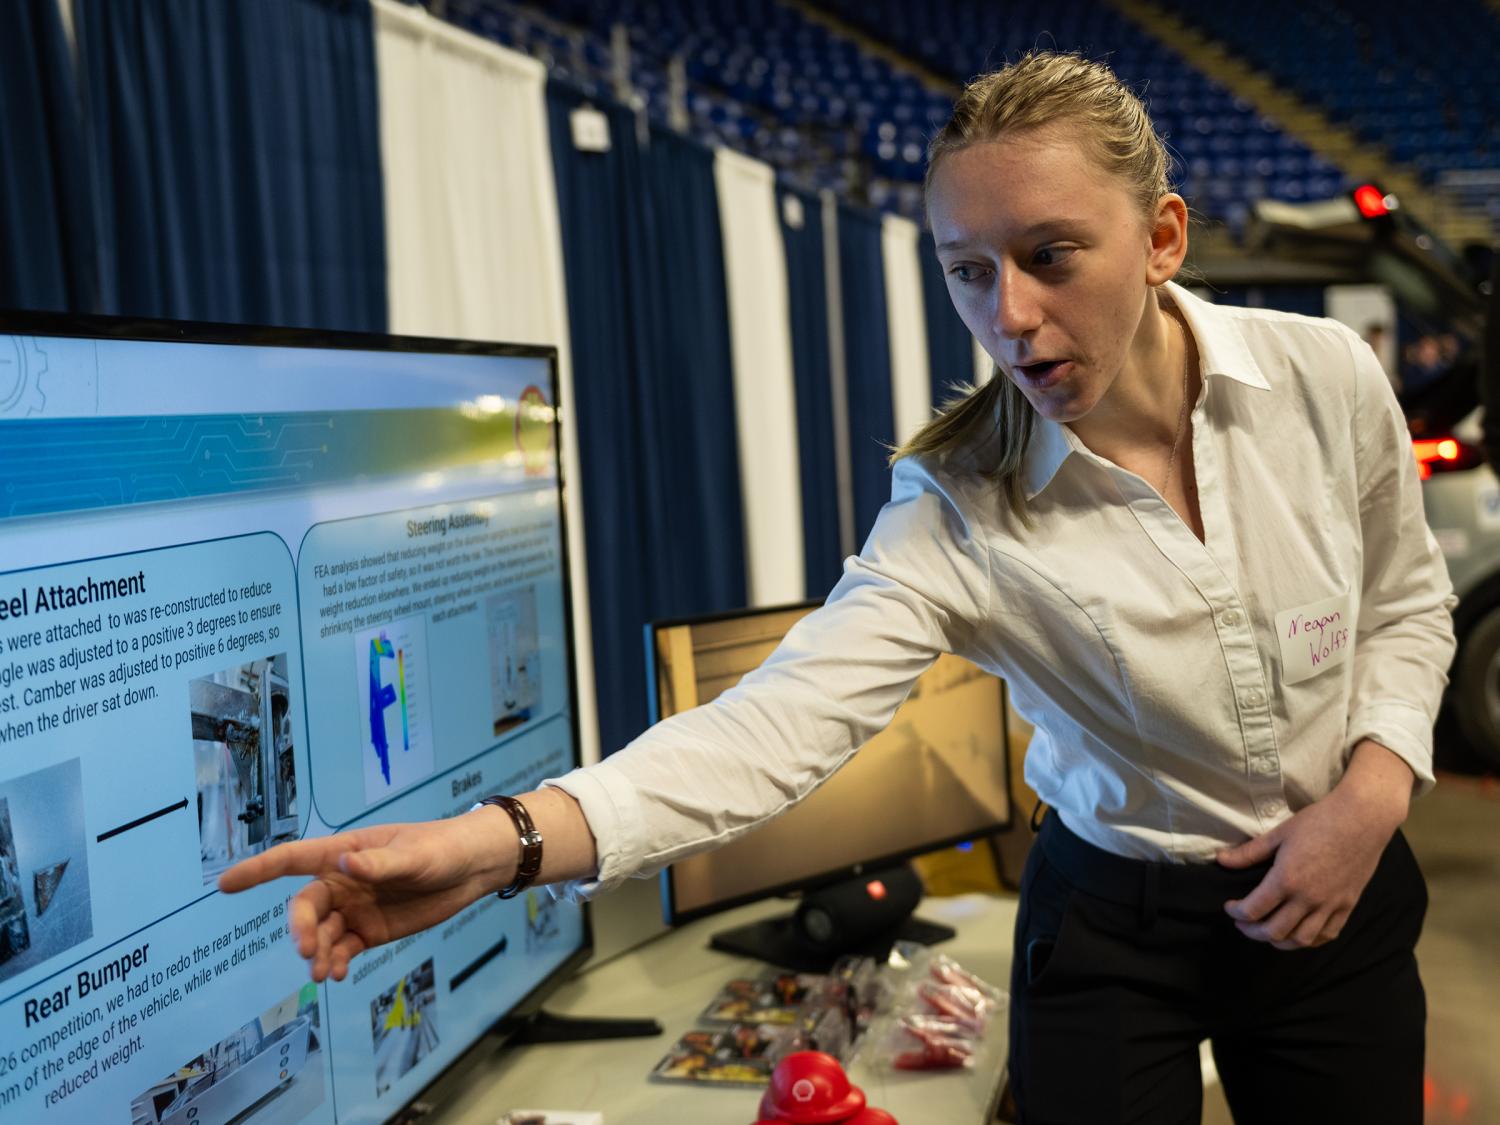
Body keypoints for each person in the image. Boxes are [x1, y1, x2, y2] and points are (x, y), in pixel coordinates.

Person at [221, 52, 1455, 1125]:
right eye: (967, 271)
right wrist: (504, 844)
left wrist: (1371, 794)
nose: (1010, 317)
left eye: (1050, 256)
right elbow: (771, 729)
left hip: (1341, 887)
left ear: (1163, 238)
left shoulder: (1323, 377)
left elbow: (1405, 602)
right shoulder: (959, 502)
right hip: (1113, 925)